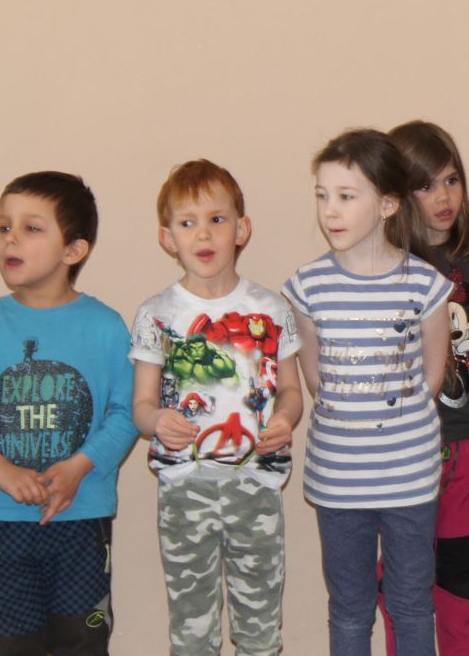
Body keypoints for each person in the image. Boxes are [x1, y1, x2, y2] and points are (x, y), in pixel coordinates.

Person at [0, 171, 137, 655]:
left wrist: (79, 467)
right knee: (12, 644)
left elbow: (127, 412)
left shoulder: (105, 327)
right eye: (3, 226)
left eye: (31, 228)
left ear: (73, 250)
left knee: (83, 638)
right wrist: (0, 469)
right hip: (0, 519)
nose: (10, 238)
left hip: (82, 516)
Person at [283, 129, 452, 656]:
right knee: (350, 609)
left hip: (409, 479)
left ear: (386, 204)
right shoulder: (308, 286)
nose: (330, 210)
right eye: (322, 195)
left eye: (346, 196)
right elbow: (316, 379)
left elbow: (432, 376)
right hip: (338, 480)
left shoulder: (424, 284)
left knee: (411, 603)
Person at [129, 159, 304, 655]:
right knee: (191, 627)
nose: (203, 234)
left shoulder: (271, 310)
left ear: (241, 229)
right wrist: (158, 420)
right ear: (168, 238)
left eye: (217, 219)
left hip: (257, 484)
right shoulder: (156, 314)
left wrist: (285, 419)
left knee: (260, 624)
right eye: (188, 223)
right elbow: (141, 405)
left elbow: (292, 391)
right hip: (185, 487)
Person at [385, 121, 469, 656]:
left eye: (451, 180)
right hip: (403, 452)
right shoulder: (385, 267)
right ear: (395, 196)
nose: (443, 197)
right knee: (402, 582)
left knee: (463, 576)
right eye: (425, 185)